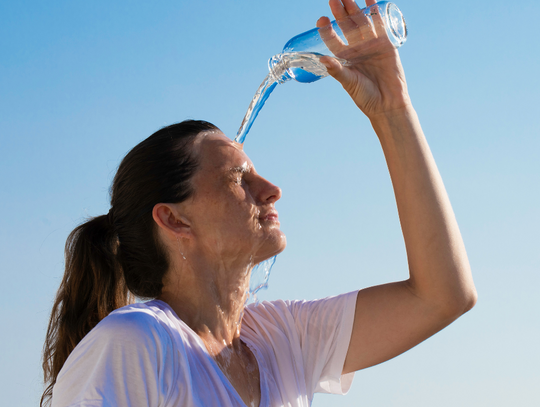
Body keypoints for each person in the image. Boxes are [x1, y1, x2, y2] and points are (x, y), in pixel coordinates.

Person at [41, 0, 477, 406]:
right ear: (174, 219)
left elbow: (442, 296)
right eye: (237, 178)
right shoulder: (139, 341)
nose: (271, 189)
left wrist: (393, 109)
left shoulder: (280, 340)